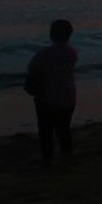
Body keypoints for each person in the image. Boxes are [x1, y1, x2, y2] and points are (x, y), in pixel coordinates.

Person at [25, 18, 78, 167]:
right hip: (68, 96)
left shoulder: (44, 53)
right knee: (63, 129)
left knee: (45, 130)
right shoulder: (72, 52)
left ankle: (47, 159)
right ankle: (67, 155)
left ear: (51, 34)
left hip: (46, 97)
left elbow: (31, 68)